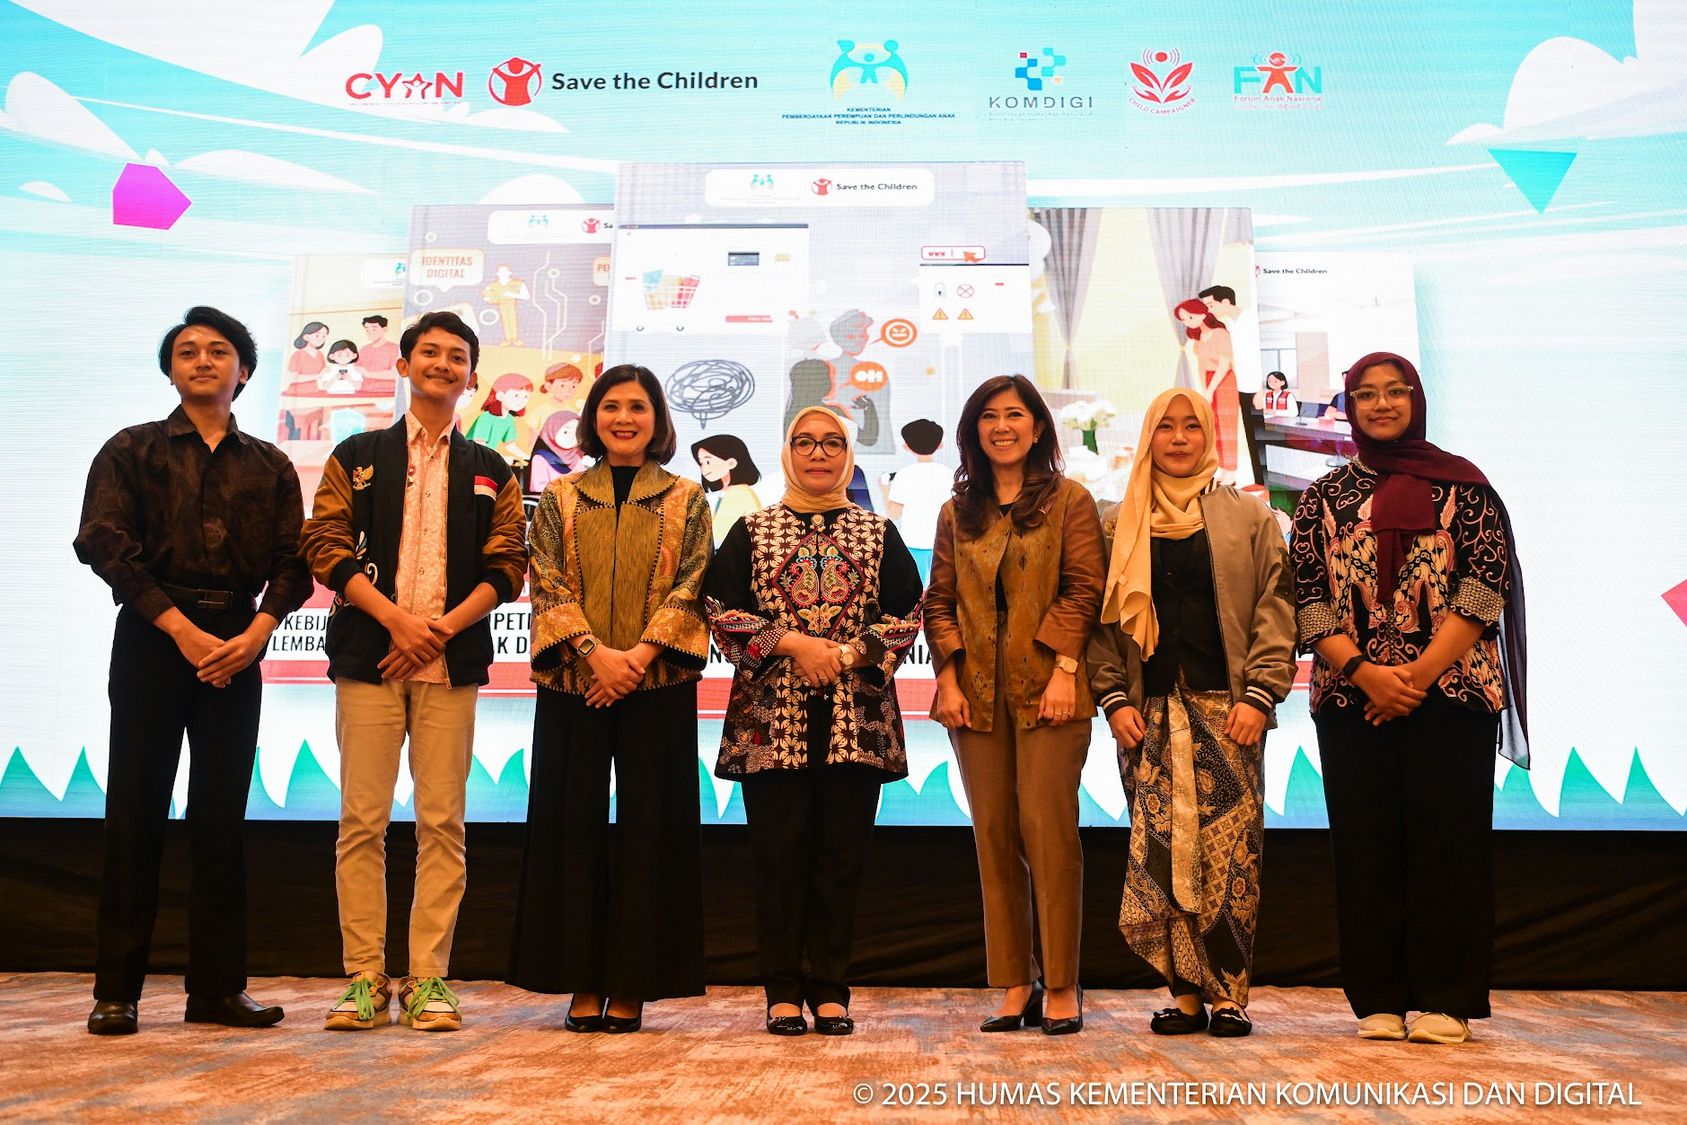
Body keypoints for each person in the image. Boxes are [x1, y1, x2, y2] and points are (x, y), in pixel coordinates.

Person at [74, 306, 312, 1035]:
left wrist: (258, 633)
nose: (202, 360)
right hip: (154, 638)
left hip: (238, 644)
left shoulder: (270, 464)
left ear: (244, 371)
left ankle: (216, 990)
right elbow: (102, 542)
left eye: (218, 351)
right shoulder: (131, 449)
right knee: (135, 811)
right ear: (170, 370)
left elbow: (294, 563)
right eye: (187, 351)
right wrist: (178, 628)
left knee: (220, 818)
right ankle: (116, 991)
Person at [1289, 351, 1528, 1046]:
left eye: (1396, 392)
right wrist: (1365, 673)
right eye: (1366, 394)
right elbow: (1307, 598)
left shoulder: (1468, 488)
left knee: (1449, 846)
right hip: (1350, 699)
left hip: (1451, 693)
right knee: (1365, 848)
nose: (1382, 404)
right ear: (1350, 407)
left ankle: (1448, 1000)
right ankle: (1379, 998)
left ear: (1416, 400)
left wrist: (1414, 676)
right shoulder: (1322, 496)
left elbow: (1483, 590)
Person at [301, 310, 528, 1033]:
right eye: (428, 352)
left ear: (470, 376)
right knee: (361, 822)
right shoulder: (357, 453)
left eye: (456, 356)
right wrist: (396, 623)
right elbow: (324, 543)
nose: (441, 364)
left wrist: (437, 632)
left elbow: (508, 566)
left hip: (449, 665)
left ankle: (429, 978)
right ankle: (364, 978)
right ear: (402, 366)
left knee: (443, 824)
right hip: (369, 659)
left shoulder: (493, 469)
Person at [703, 406, 923, 1036]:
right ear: (788, 452)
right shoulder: (752, 529)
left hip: (856, 720)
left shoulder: (877, 533)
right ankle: (780, 990)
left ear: (848, 456)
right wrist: (794, 645)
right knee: (778, 859)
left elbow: (909, 611)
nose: (818, 453)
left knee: (841, 858)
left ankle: (830, 990)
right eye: (805, 442)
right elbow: (718, 608)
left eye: (832, 443)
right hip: (770, 723)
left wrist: (847, 655)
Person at [509, 364, 713, 1034]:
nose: (624, 418)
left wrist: (638, 658)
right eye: (612, 406)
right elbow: (545, 580)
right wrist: (595, 654)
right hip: (576, 684)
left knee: (652, 830)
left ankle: (633, 982)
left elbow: (694, 583)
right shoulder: (561, 495)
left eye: (638, 407)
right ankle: (583, 978)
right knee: (572, 829)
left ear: (658, 420)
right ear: (593, 417)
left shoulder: (687, 497)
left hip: (657, 686)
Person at [1087, 389, 1295, 1039]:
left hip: (1228, 712)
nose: (1178, 438)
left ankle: (1228, 994)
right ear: (1148, 437)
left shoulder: (1248, 517)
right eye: (1165, 427)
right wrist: (1113, 699)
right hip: (1144, 716)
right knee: (1161, 855)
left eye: (1190, 427)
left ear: (1208, 435)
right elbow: (1097, 623)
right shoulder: (1116, 523)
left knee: (1230, 857)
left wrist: (1259, 696)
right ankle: (1182, 994)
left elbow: (1275, 608)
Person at [925, 374, 1106, 1036]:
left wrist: (1065, 670)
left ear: (1037, 428)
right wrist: (947, 679)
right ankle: (1012, 981)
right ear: (973, 431)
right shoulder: (956, 511)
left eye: (1014, 415)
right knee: (994, 836)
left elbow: (1084, 591)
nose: (1001, 427)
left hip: (1051, 689)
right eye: (988, 417)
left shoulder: (1070, 500)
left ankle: (1060, 983)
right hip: (973, 695)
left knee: (1048, 833)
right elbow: (938, 600)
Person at [881, 418, 951, 583]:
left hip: (913, 543)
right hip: (943, 544)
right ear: (940, 445)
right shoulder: (949, 474)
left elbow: (893, 513)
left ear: (907, 446)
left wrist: (885, 488)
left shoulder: (904, 474)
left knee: (914, 590)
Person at [1174, 300, 1238, 474]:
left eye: (1190, 317)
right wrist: (1204, 389)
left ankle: (1231, 471)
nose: (1187, 322)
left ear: (1202, 313)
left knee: (1227, 427)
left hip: (1225, 381)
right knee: (1213, 426)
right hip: (1209, 380)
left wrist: (1210, 390)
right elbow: (1201, 366)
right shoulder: (1198, 337)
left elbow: (1224, 364)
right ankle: (1222, 468)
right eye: (1184, 319)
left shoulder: (1221, 333)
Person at [691, 433, 763, 546]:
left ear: (731, 463)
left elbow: (720, 534)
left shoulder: (740, 493)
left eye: (708, 462)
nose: (704, 468)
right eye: (701, 463)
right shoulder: (727, 492)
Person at [465, 372, 532, 462]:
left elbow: (510, 445)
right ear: (500, 396)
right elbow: (479, 446)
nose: (522, 400)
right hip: (469, 458)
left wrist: (528, 458)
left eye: (526, 396)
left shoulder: (509, 419)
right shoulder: (485, 418)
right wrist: (501, 458)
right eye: (516, 395)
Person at [526, 410, 584, 493]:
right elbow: (538, 488)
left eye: (576, 433)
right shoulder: (540, 458)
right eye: (565, 432)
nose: (571, 438)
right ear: (552, 430)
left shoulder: (577, 457)